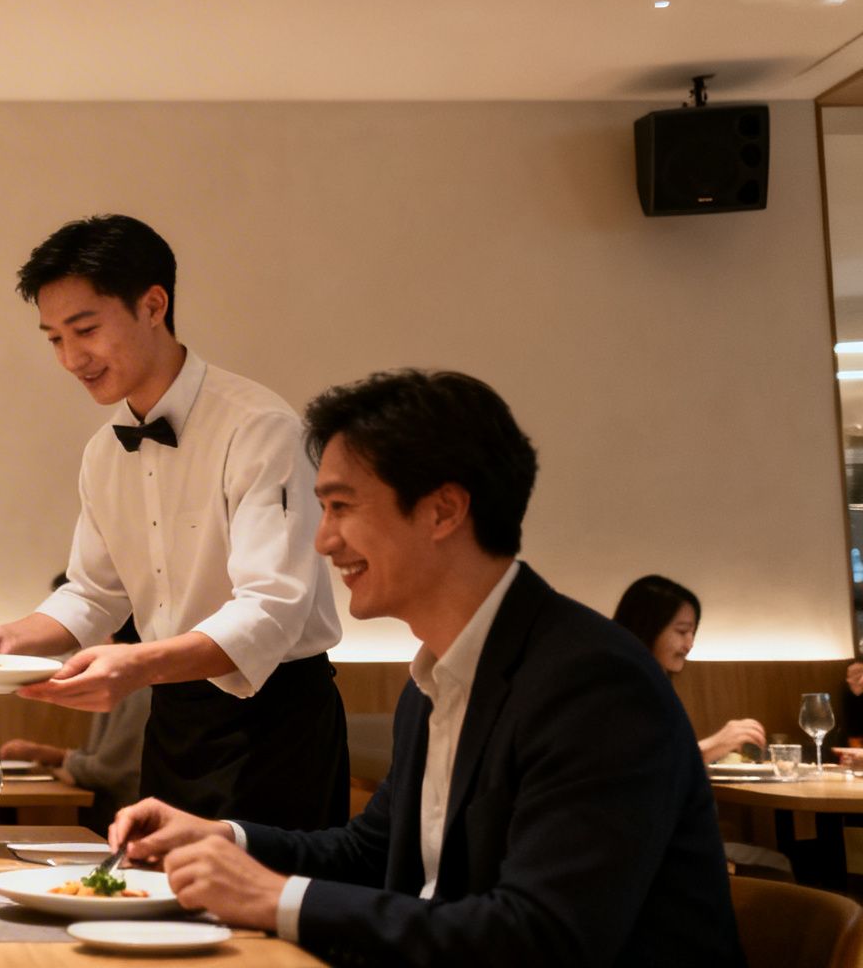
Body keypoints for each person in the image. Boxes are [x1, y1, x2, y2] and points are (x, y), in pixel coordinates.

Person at [108, 370, 743, 966]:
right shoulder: (438, 675)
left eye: (340, 507)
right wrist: (223, 838)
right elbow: (370, 852)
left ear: (443, 511)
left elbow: (543, 939)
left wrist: (274, 899)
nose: (323, 541)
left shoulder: (593, 683)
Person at [0, 214, 348, 829]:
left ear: (153, 305)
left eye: (85, 330)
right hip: (173, 719)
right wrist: (8, 639)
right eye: (53, 339)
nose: (72, 358)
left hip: (277, 724)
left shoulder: (259, 426)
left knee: (257, 920)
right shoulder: (104, 451)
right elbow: (96, 594)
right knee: (158, 911)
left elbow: (273, 607)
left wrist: (141, 665)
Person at [0, 575, 151, 829]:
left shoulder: (137, 681)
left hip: (124, 821)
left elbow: (110, 771)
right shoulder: (116, 674)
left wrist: (49, 757)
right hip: (108, 815)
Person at [611, 574, 766, 762]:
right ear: (647, 627)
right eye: (682, 631)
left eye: (692, 633)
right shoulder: (614, 690)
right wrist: (715, 745)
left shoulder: (656, 688)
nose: (690, 644)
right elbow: (640, 766)